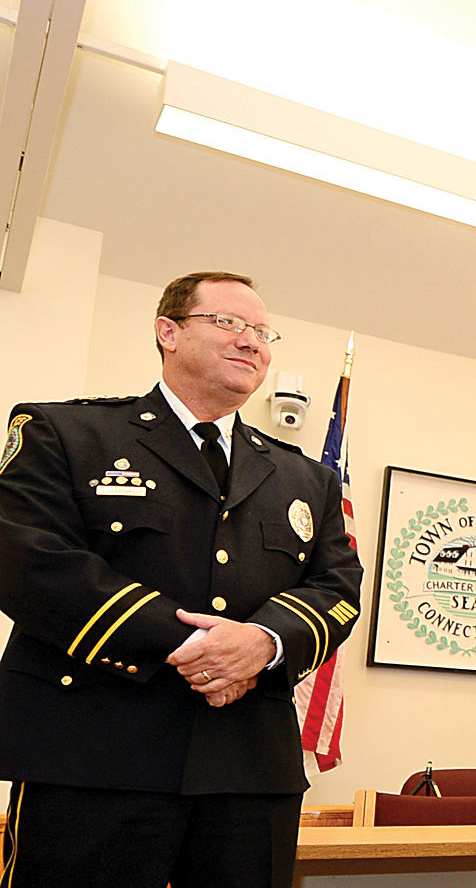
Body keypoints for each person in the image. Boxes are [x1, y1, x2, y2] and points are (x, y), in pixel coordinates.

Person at [0, 271, 363, 888]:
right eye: (228, 322)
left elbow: (337, 588)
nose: (252, 341)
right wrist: (191, 644)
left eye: (262, 331)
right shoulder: (66, 433)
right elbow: (30, 557)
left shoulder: (306, 478)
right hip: (94, 755)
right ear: (168, 332)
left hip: (250, 769)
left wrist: (263, 643)